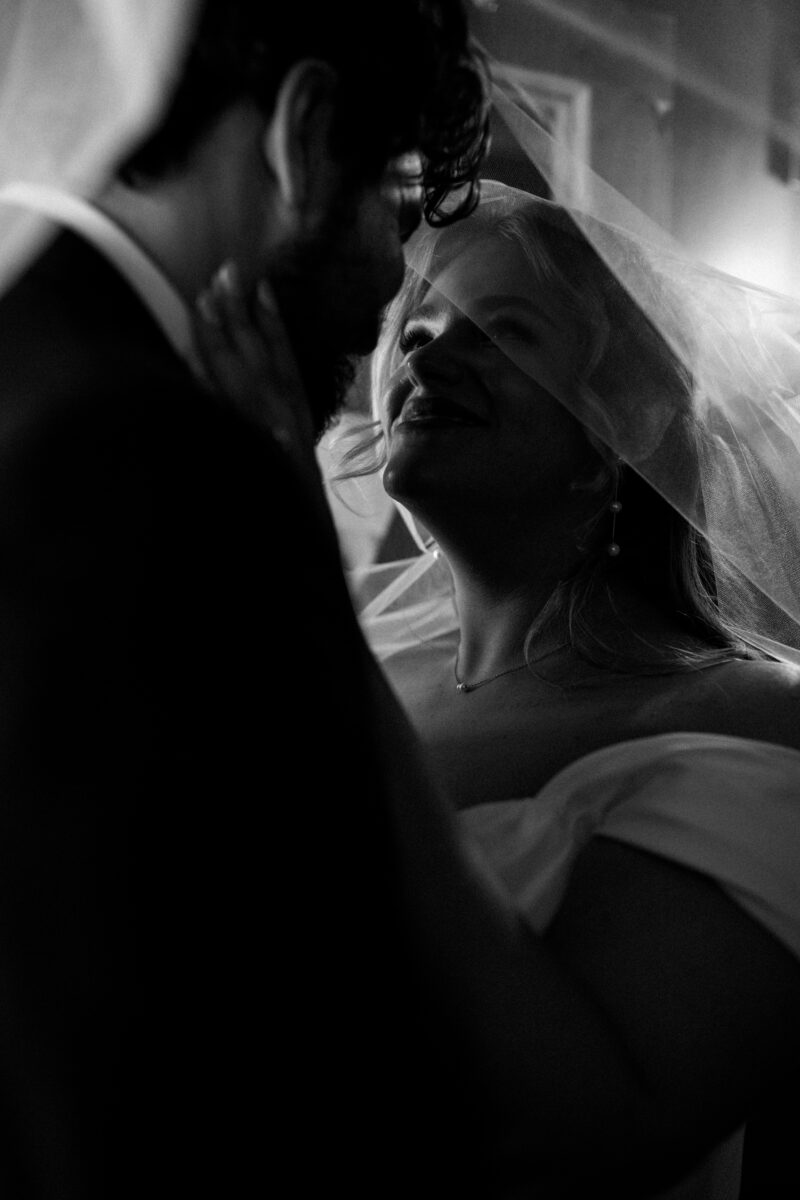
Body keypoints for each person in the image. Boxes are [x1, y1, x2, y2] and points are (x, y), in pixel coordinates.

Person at [198, 179, 800, 1198]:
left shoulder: (755, 726)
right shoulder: (363, 619)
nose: (429, 352)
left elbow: (584, 1136)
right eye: (422, 327)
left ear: (621, 430)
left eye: (503, 333)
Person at [0, 3, 494, 1197]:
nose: (392, 281)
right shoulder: (158, 456)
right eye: (392, 192)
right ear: (303, 130)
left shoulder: (31, 357)